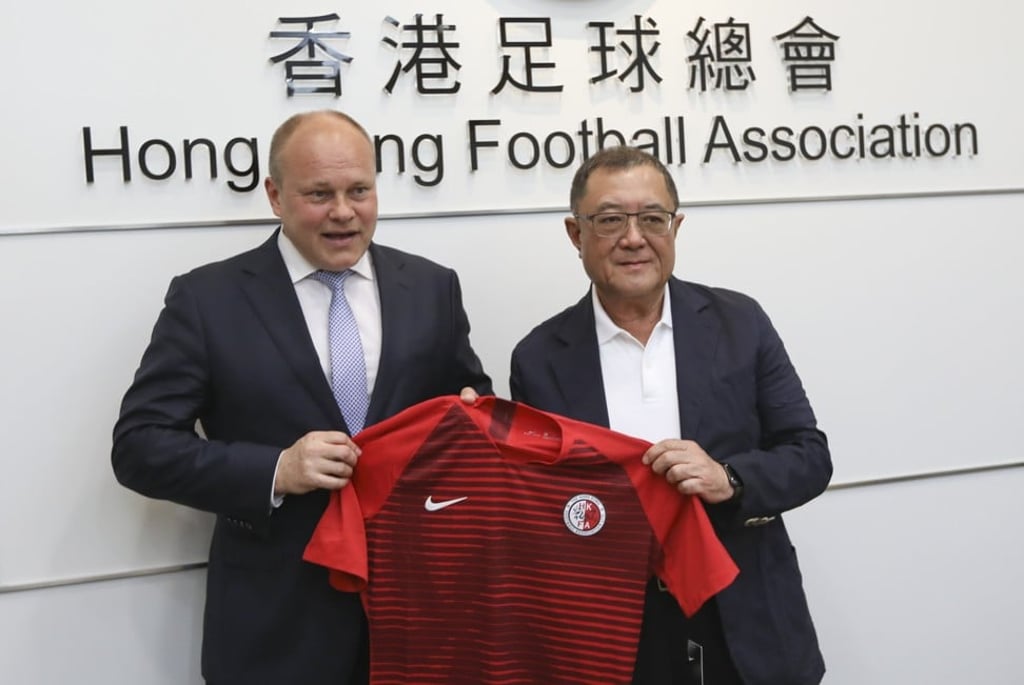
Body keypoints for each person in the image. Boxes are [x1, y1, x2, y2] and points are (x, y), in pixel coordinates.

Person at [112, 109, 492, 685]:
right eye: (319, 194)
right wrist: (277, 469)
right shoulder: (207, 300)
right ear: (274, 195)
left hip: (419, 620)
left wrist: (472, 421)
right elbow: (139, 447)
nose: (344, 212)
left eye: (359, 190)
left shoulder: (432, 287)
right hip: (276, 627)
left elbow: (469, 403)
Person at [509, 146, 831, 685]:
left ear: (676, 227)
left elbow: (809, 455)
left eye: (652, 219)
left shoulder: (739, 323)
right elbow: (536, 509)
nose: (633, 238)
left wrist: (729, 479)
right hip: (615, 633)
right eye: (610, 220)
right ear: (575, 235)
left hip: (745, 620)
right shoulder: (539, 357)